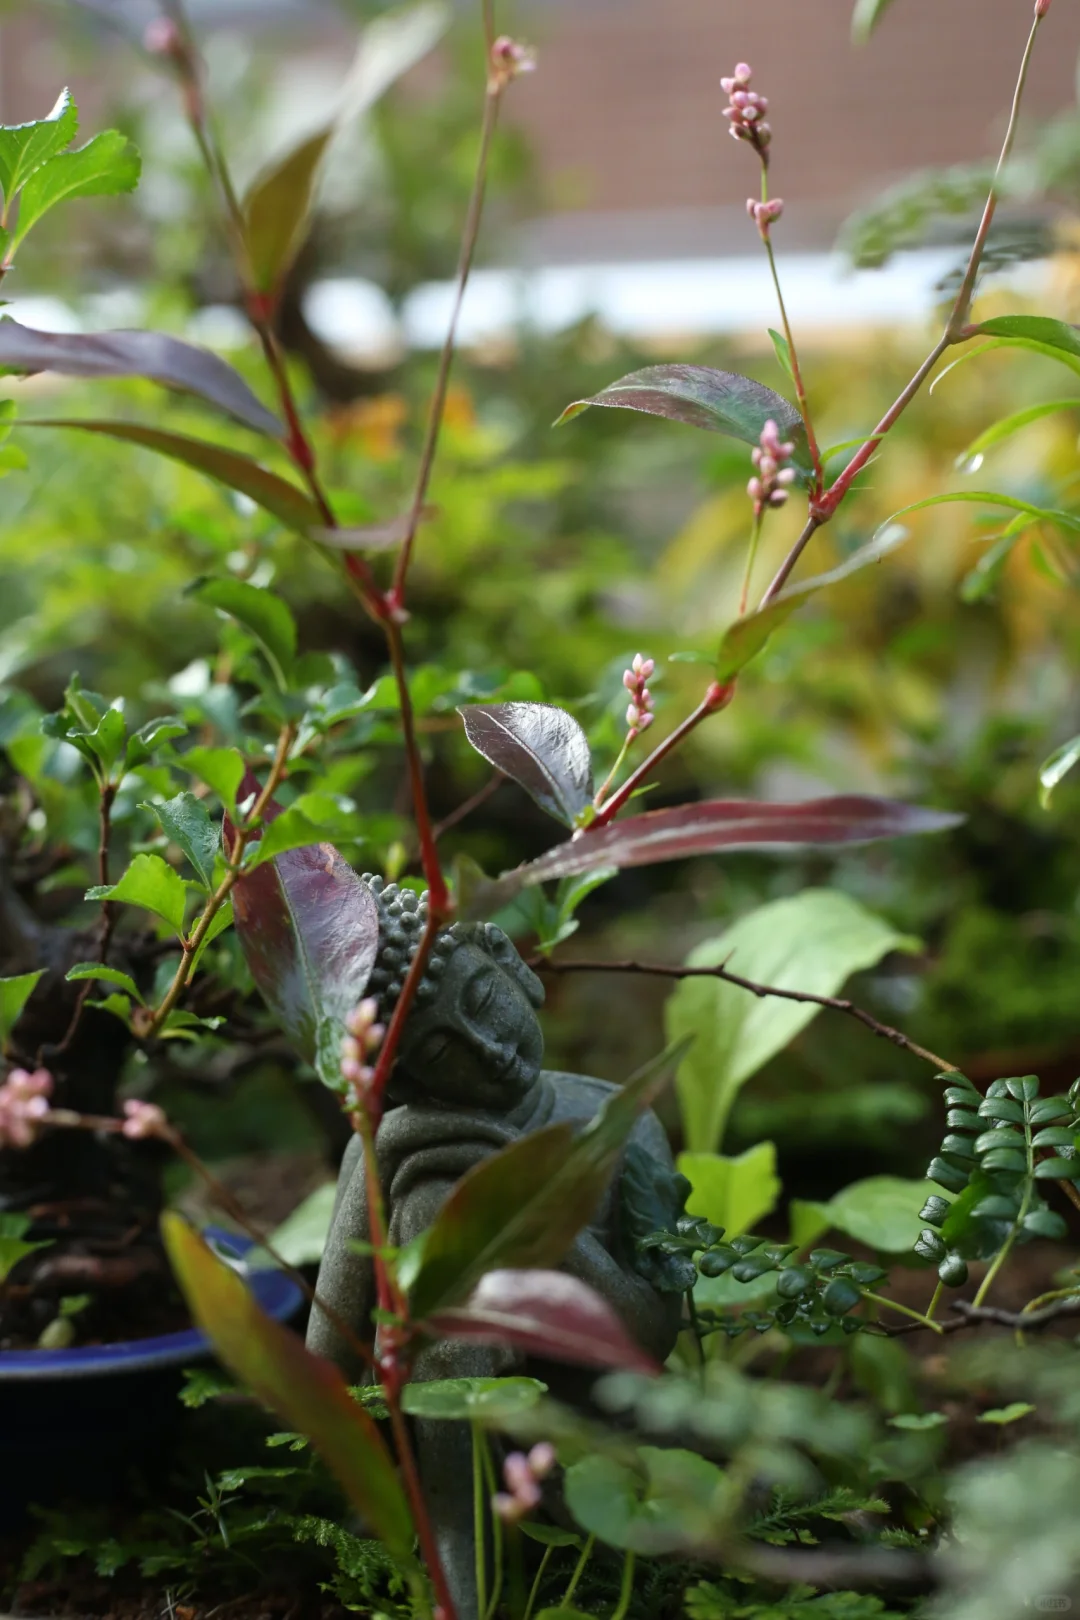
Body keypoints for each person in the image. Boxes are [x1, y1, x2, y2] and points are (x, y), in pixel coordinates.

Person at [307, 878, 688, 1613]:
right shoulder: (400, 1145)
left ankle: (475, 1557)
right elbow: (324, 1372)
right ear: (405, 1075)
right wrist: (383, 1150)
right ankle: (460, 1539)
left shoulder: (614, 1124)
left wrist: (530, 1217)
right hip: (444, 1451)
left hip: (591, 1434)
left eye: (482, 1004)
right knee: (431, 1203)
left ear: (509, 964)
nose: (487, 1051)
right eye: (442, 1050)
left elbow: (647, 1339)